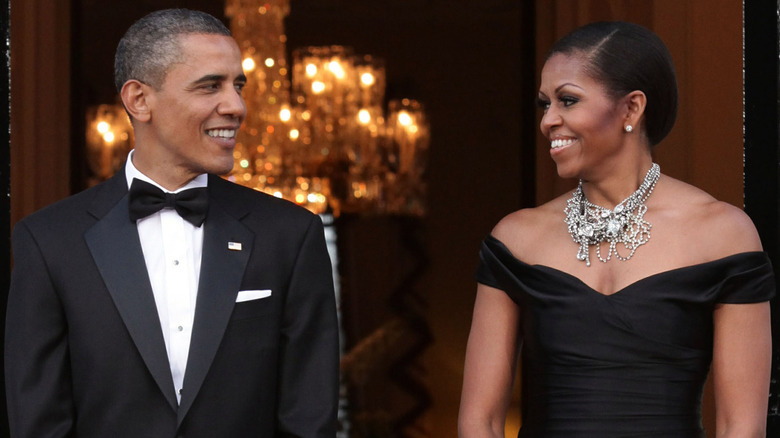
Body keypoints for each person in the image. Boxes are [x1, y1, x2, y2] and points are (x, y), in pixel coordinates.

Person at [5, 8, 339, 437]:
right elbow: (39, 423)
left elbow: (309, 419)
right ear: (139, 100)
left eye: (238, 86)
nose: (236, 106)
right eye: (210, 86)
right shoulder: (49, 242)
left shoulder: (290, 235)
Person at [458, 21, 774, 438]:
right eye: (544, 104)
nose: (548, 120)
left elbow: (741, 427)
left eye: (567, 100)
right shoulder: (516, 239)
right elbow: (479, 422)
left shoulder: (722, 234)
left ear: (631, 109)